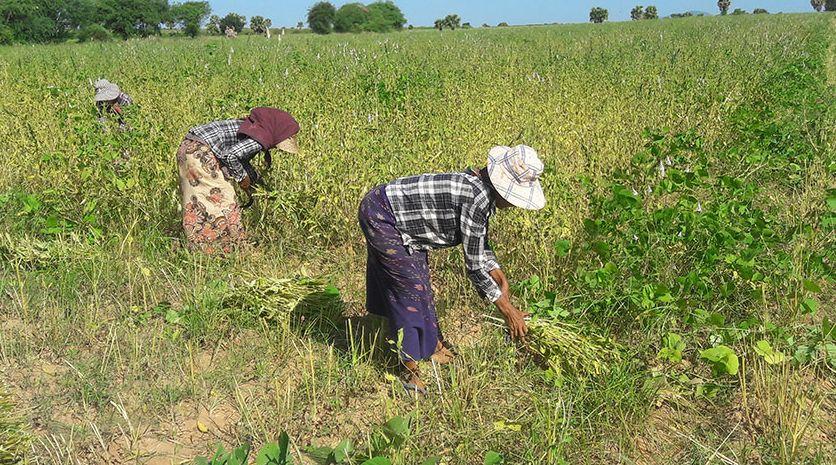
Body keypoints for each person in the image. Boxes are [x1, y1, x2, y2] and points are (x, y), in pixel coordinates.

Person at [358, 145, 546, 394]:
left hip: (402, 221)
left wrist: (498, 273)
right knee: (409, 291)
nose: (512, 205)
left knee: (421, 284)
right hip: (383, 216)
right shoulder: (477, 198)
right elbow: (474, 266)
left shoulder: (480, 191)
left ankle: (432, 346)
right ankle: (410, 371)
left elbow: (477, 243)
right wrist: (507, 310)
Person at [177, 107, 300, 253]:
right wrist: (243, 179)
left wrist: (257, 183)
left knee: (199, 201)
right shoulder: (261, 136)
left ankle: (201, 247)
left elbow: (241, 160)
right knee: (223, 200)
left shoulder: (253, 128)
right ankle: (225, 249)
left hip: (188, 148)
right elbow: (232, 156)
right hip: (201, 152)